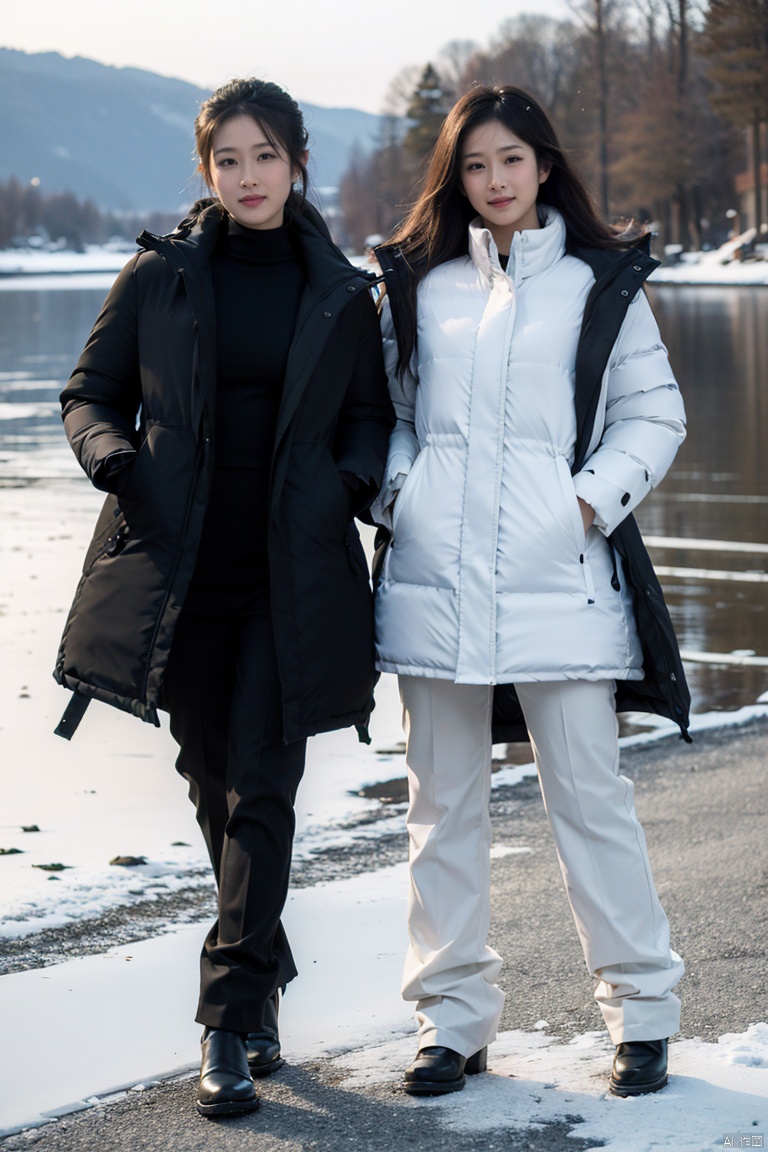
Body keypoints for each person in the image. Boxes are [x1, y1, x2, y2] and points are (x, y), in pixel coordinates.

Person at [53, 77, 394, 1118]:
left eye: (265, 157)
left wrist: (344, 484)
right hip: (178, 570)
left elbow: (370, 423)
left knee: (263, 784)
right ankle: (259, 982)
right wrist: (115, 462)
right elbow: (87, 395)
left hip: (287, 576)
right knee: (212, 782)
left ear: (297, 164)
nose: (248, 177)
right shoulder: (159, 277)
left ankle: (222, 1023)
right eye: (227, 160)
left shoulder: (339, 291)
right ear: (207, 172)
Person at [370, 84, 690, 1099]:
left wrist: (585, 505)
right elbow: (386, 414)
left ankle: (642, 1013)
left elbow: (654, 415)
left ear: (544, 165)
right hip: (434, 578)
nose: (494, 180)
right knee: (441, 806)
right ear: (455, 178)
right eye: (474, 165)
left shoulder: (602, 285)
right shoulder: (419, 287)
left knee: (591, 801)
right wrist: (402, 495)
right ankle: (451, 1020)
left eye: (510, 160)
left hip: (563, 579)